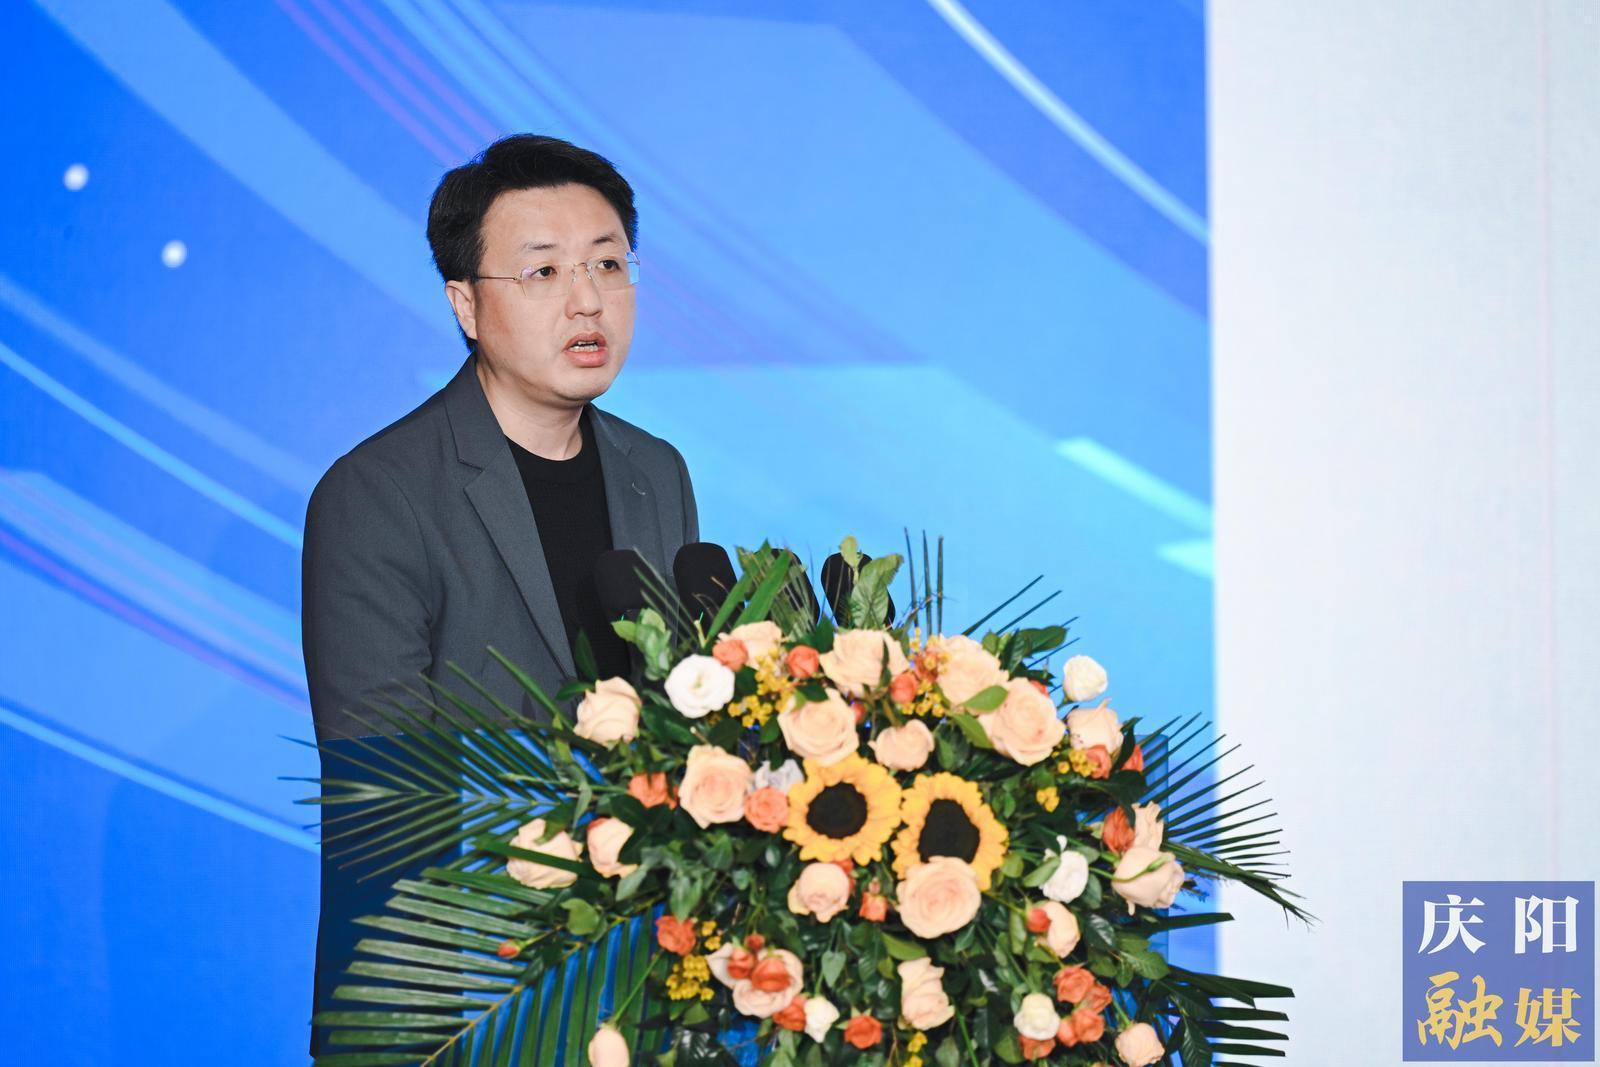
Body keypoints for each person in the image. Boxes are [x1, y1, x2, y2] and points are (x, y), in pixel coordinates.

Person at [300, 134, 699, 1056]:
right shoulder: (377, 494)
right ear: (466, 304)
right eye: (544, 271)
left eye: (609, 263)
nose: (587, 299)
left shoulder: (656, 472)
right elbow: (386, 794)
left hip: (642, 990)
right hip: (458, 995)